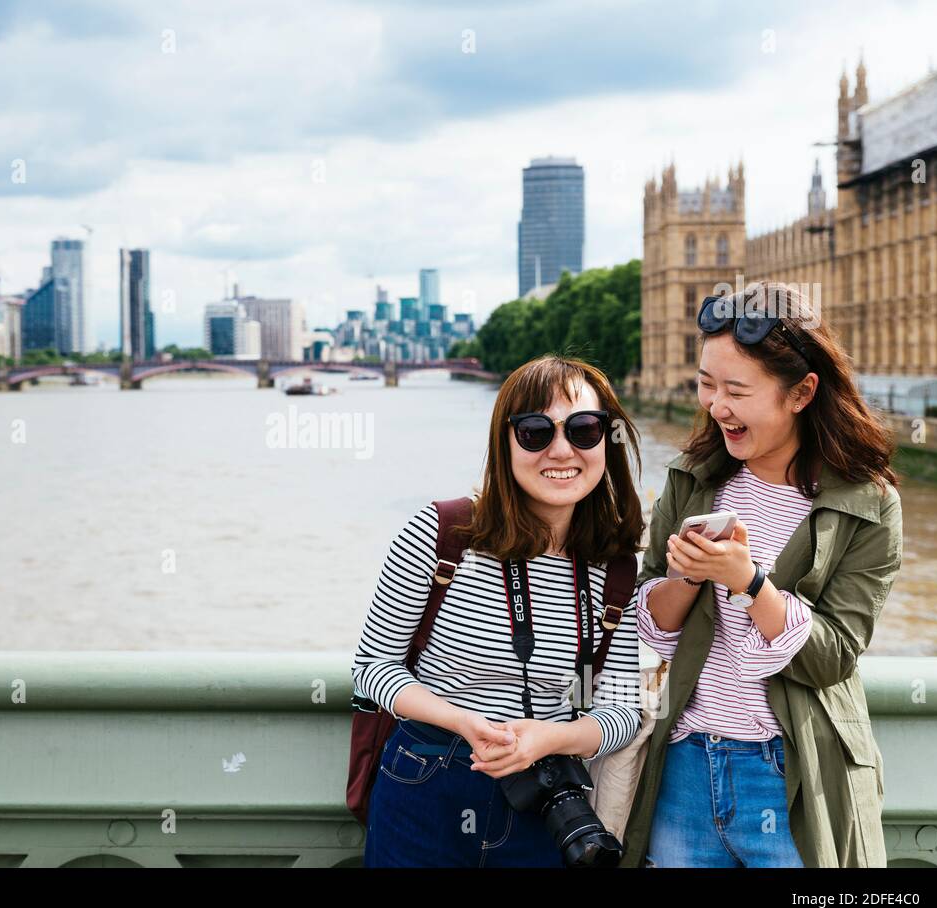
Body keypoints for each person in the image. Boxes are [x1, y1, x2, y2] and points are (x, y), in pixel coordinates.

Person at [621, 281, 903, 868]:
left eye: (736, 390)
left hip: (794, 773)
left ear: (801, 393)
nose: (715, 405)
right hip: (685, 769)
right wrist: (691, 576)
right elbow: (646, 627)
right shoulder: (692, 479)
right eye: (706, 383)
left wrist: (750, 584)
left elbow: (833, 655)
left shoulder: (866, 503)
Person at [353, 355, 646, 867]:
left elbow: (622, 710)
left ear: (607, 441)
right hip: (426, 779)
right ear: (504, 441)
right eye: (535, 431)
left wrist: (551, 738)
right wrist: (465, 722)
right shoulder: (442, 533)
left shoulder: (615, 568)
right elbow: (372, 670)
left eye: (584, 429)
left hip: (547, 799)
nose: (562, 450)